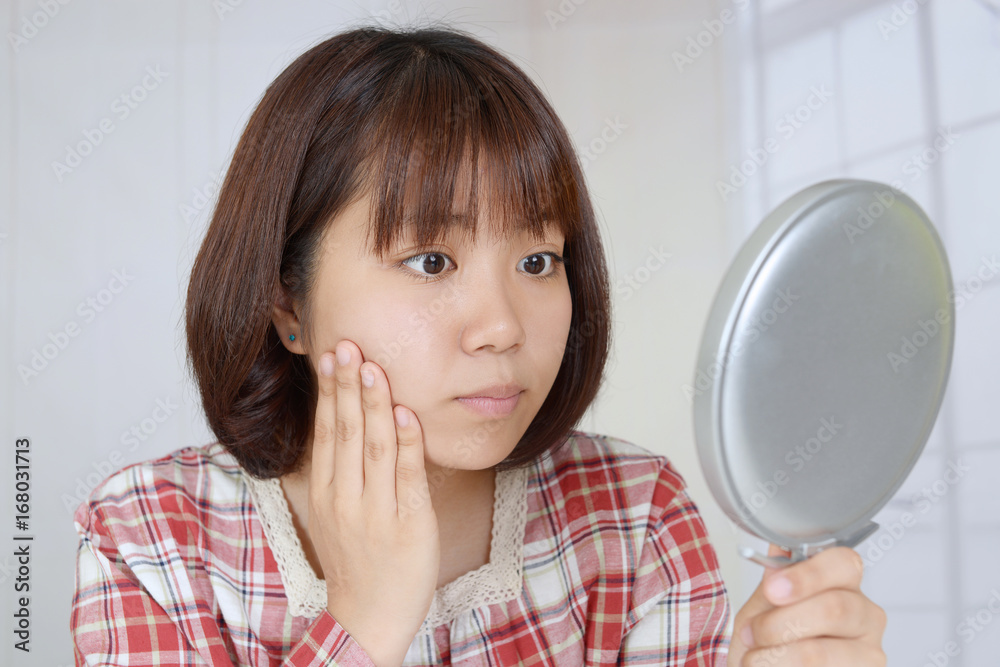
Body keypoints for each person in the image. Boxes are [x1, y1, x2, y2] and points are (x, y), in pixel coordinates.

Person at [70, 24, 887, 666]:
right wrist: (364, 621)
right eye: (431, 261)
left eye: (538, 261)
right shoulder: (149, 538)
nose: (502, 326)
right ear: (288, 304)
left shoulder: (635, 516)